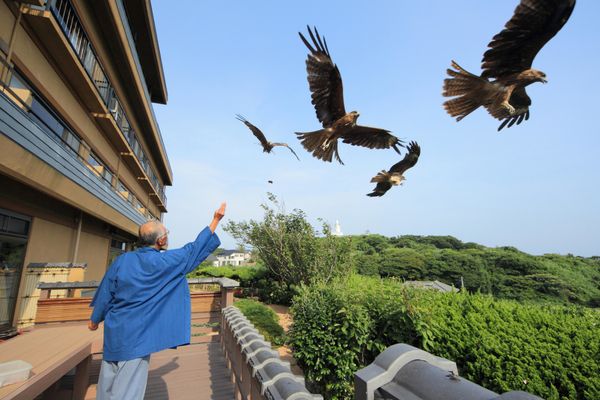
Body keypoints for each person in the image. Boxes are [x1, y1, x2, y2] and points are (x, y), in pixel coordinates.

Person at [88, 202, 226, 400]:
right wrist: (215, 220)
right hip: (137, 337)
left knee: (106, 386)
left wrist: (95, 319)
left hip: (115, 331)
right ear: (161, 241)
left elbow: (106, 293)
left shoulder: (122, 261)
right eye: (166, 233)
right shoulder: (164, 262)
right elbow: (194, 250)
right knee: (128, 392)